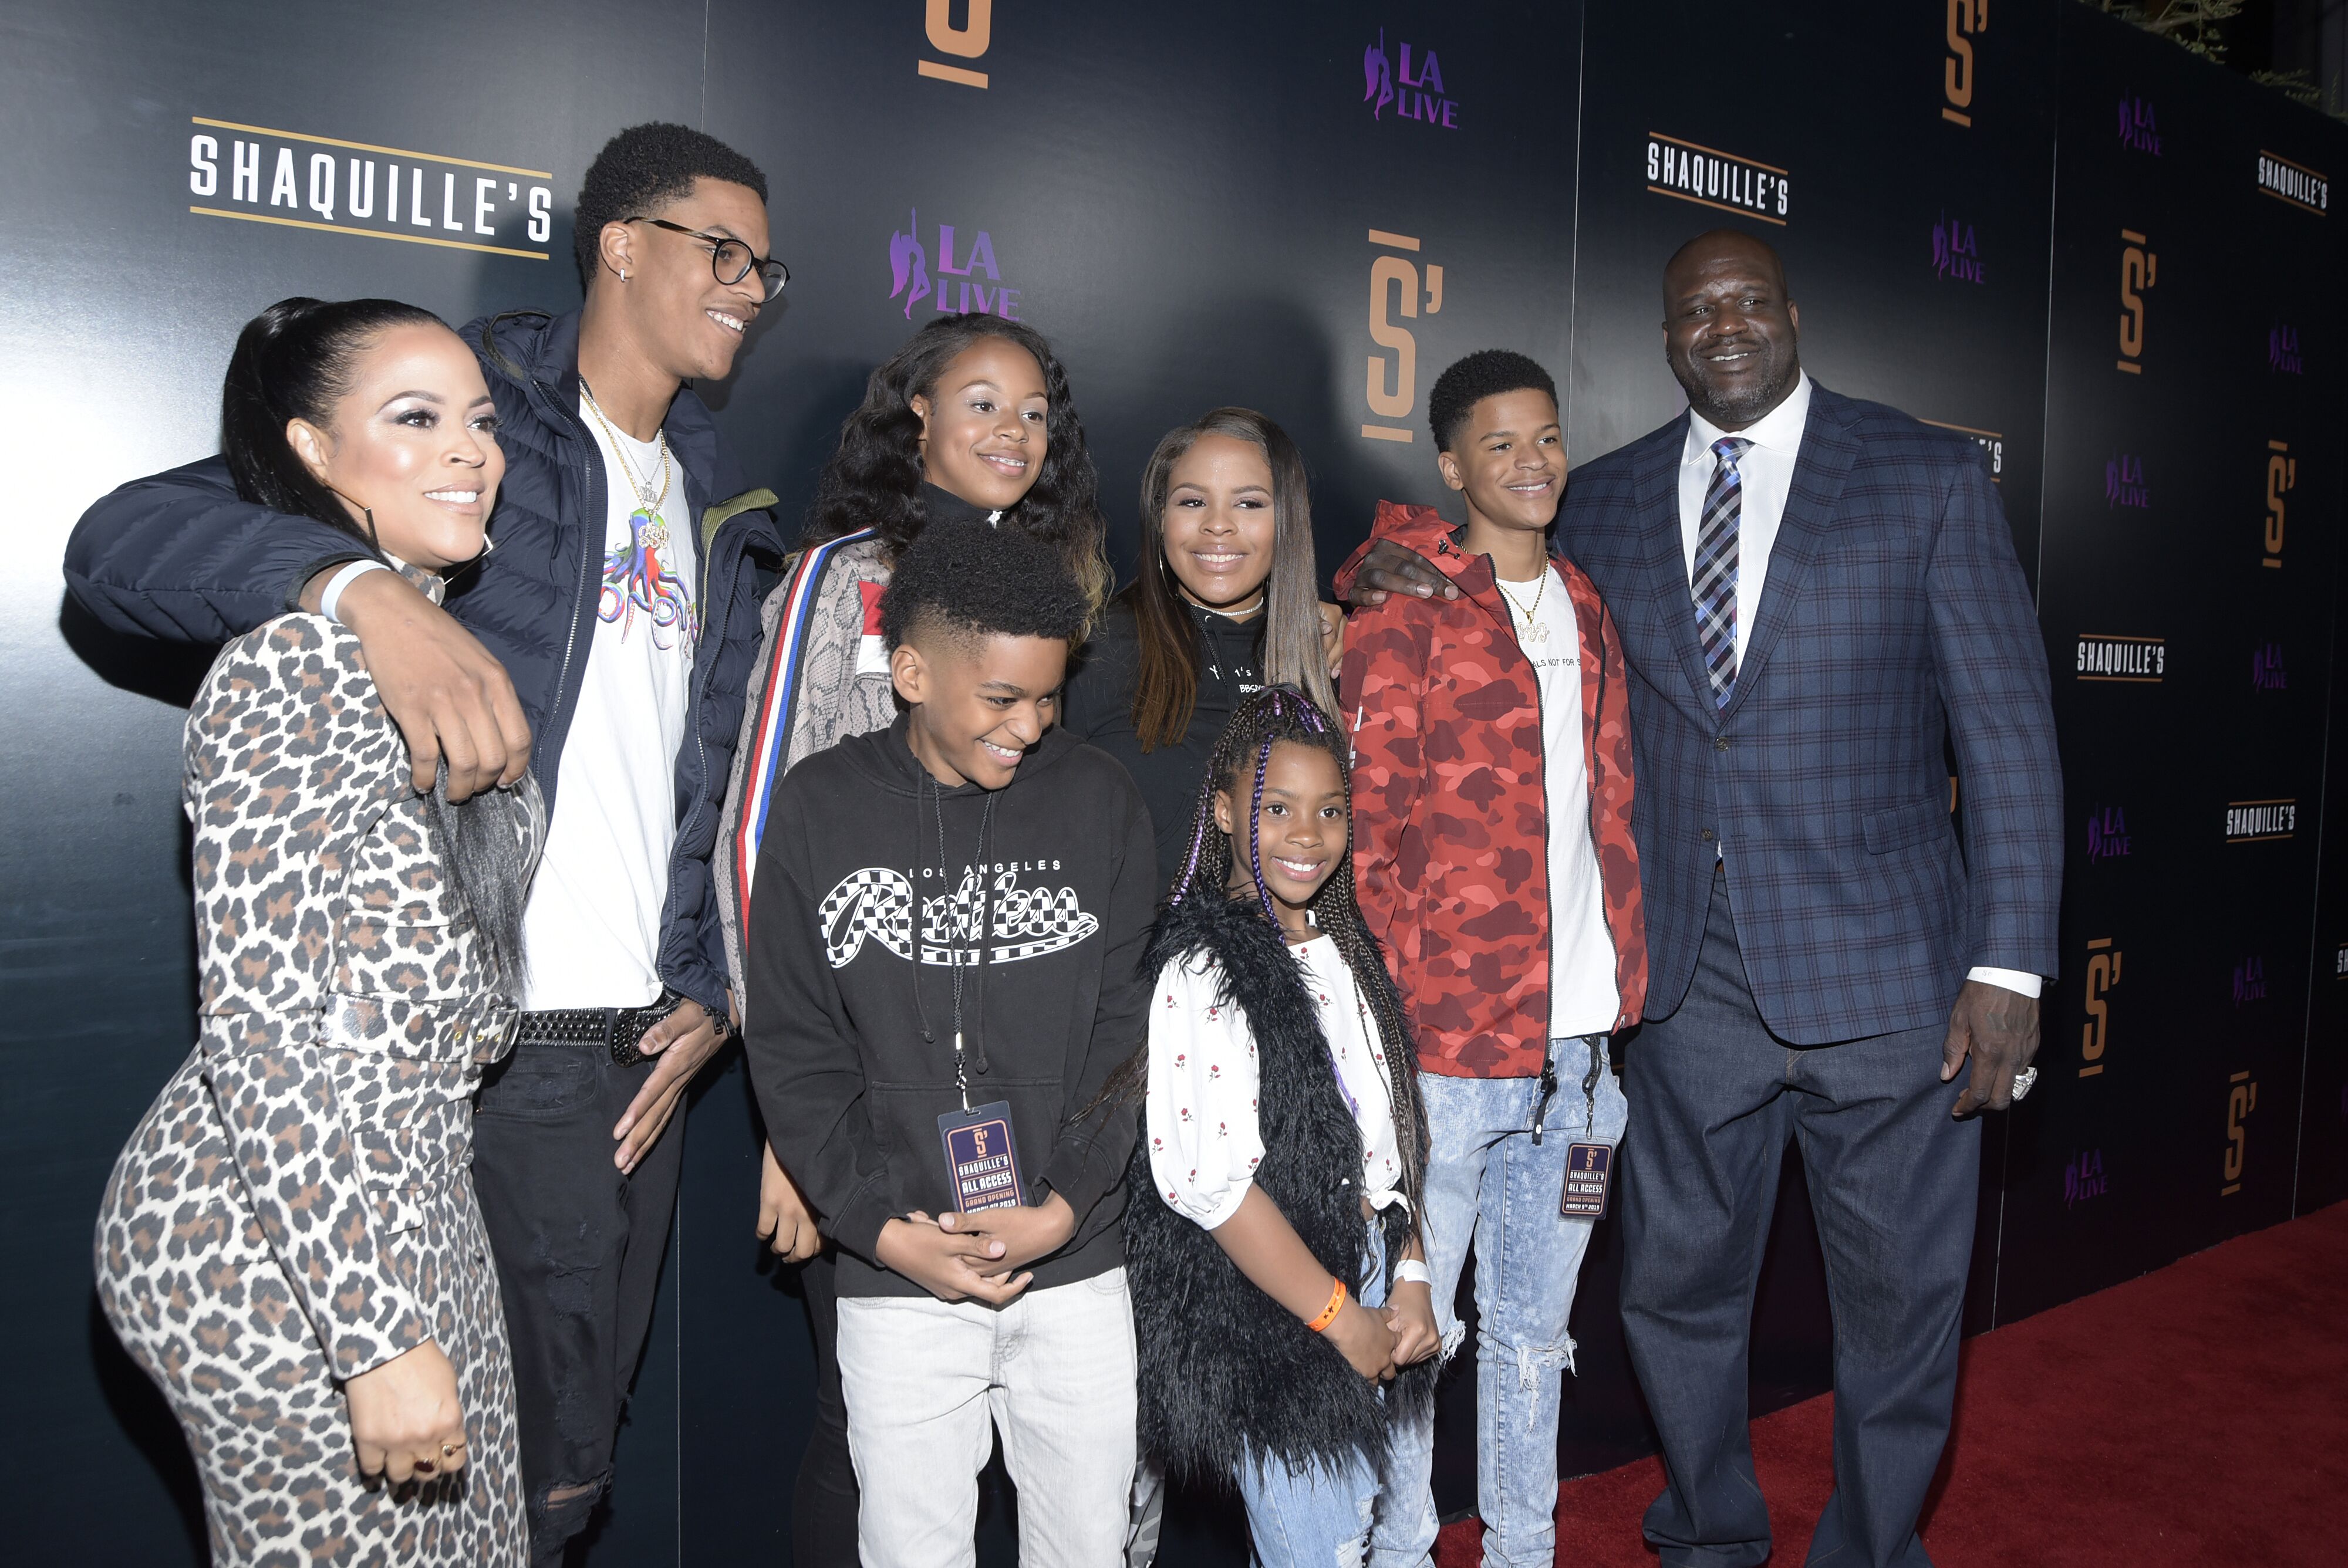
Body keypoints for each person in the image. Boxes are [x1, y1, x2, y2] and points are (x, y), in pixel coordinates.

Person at [66, 124, 788, 1563]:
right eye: (723, 250)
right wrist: (350, 584)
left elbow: (696, 786)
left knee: (554, 1475)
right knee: (457, 1489)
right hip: (485, 1064)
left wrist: (717, 990)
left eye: (768, 265)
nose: (752, 286)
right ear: (622, 246)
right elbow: (120, 543)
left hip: (627, 1060)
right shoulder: (484, 424)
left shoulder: (726, 502)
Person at [1346, 231, 2062, 1568]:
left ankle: (1869, 1544)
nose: (1723, 328)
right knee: (1672, 1291)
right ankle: (1709, 1533)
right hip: (1682, 984)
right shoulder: (1602, 499)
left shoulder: (1925, 476)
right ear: (1667, 338)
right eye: (1694, 313)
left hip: (1894, 982)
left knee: (1902, 1304)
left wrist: (2010, 965)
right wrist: (1394, 561)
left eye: (1747, 303)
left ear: (1790, 313)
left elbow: (2009, 735)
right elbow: (1487, 569)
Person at [94, 298, 540, 1565]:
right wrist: (373, 1337)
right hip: (281, 1239)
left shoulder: (426, 645)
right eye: (414, 419)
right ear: (311, 452)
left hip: (406, 1192)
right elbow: (270, 1030)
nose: (471, 451)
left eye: (479, 420)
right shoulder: (298, 664)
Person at [716, 310, 1111, 1563]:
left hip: (1017, 1088)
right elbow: (759, 835)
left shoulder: (1057, 583)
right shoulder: (845, 577)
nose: (1012, 430)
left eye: (1035, 410)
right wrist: (787, 1126)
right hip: (858, 1092)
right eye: (980, 402)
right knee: (869, 1434)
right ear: (916, 421)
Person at [1338, 350, 1647, 1568]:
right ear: (1451, 464)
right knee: (1411, 1334)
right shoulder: (1405, 608)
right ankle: (1399, 1551)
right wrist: (1397, 1011)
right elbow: (1366, 833)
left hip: (1576, 1056)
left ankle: (1524, 1549)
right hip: (1448, 1049)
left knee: (1534, 1335)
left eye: (1547, 438)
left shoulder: (1585, 603)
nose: (1531, 462)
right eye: (1500, 443)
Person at [1124, 685, 1442, 1566]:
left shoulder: (1344, 947)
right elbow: (1213, 1188)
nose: (1308, 835)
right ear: (1225, 811)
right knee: (1321, 1551)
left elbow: (1393, 1136)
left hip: (1370, 1268)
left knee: (1392, 1532)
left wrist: (1410, 1272)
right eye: (1277, 808)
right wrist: (1345, 1321)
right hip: (1281, 1310)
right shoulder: (1204, 965)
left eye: (1330, 811)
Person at [1061, 407, 1341, 890]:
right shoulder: (1092, 650)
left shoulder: (1330, 655)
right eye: (1192, 502)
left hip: (1288, 961)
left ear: (1289, 519)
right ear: (1160, 516)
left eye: (1250, 504)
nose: (1218, 526)